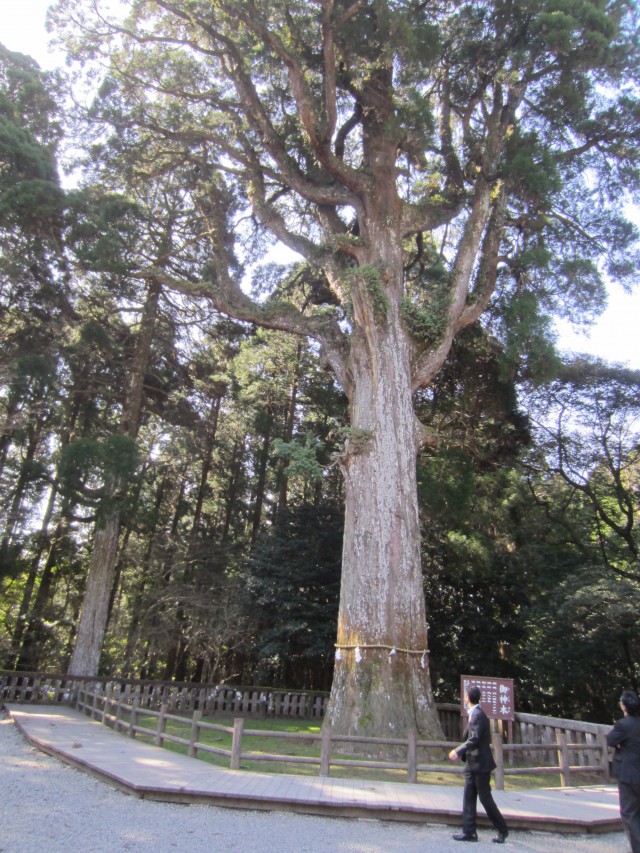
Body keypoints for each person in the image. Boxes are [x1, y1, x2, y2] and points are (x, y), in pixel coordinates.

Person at [448, 685, 509, 844]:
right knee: (468, 796)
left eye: (465, 696)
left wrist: (458, 751)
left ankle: (502, 830)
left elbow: (473, 738)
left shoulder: (478, 715)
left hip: (480, 764)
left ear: (467, 698)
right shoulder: (474, 714)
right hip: (471, 763)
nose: (464, 698)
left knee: (485, 798)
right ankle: (469, 831)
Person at [607, 689, 640, 853]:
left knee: (629, 814)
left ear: (624, 706)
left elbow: (611, 739)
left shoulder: (623, 725)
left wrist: (621, 744)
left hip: (628, 775)